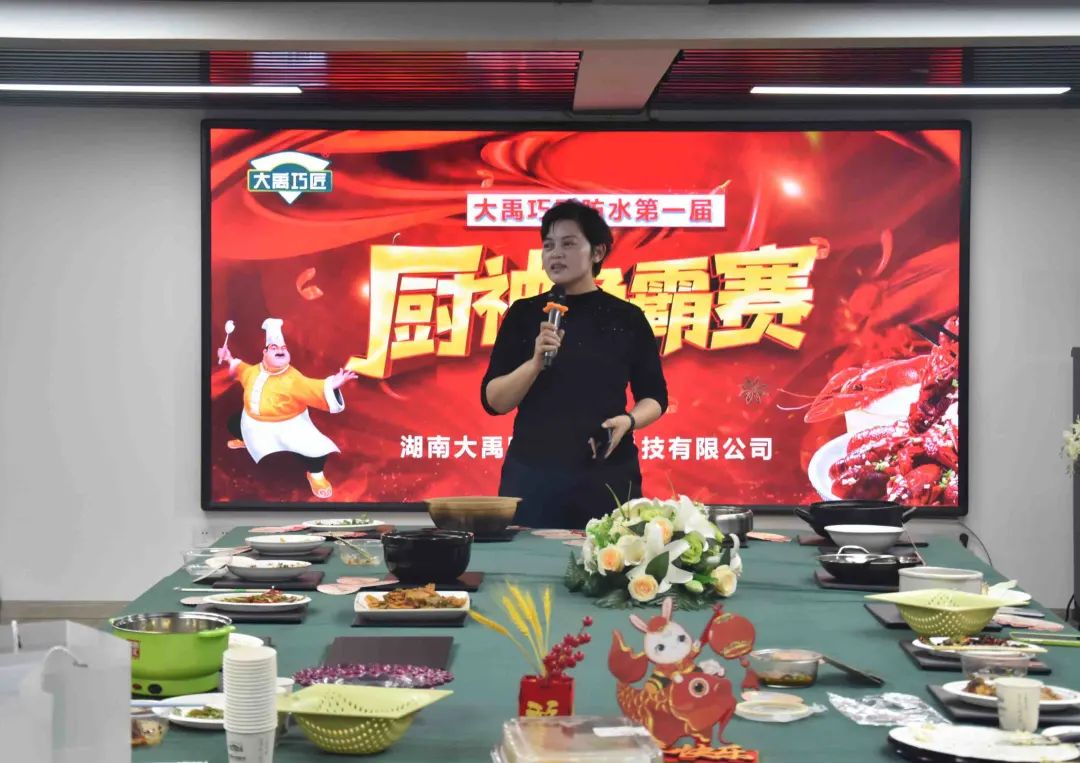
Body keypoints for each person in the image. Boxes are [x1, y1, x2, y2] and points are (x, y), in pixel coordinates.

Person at [481, 200, 668, 529]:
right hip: (533, 477)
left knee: (609, 557)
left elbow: (655, 397)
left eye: (568, 244)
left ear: (597, 252)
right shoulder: (525, 314)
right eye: (548, 245)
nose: (555, 254)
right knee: (525, 562)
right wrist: (535, 363)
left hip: (606, 474)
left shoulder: (626, 318)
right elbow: (494, 400)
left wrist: (628, 421)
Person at [217, 318, 357, 499]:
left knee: (315, 451)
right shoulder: (253, 371)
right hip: (255, 423)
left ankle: (316, 476)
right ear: (265, 352)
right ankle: (246, 440)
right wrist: (228, 357)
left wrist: (332, 384)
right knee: (233, 423)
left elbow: (314, 387)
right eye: (274, 348)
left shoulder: (293, 378)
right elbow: (240, 369)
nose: (280, 350)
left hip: (288, 425)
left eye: (284, 348)